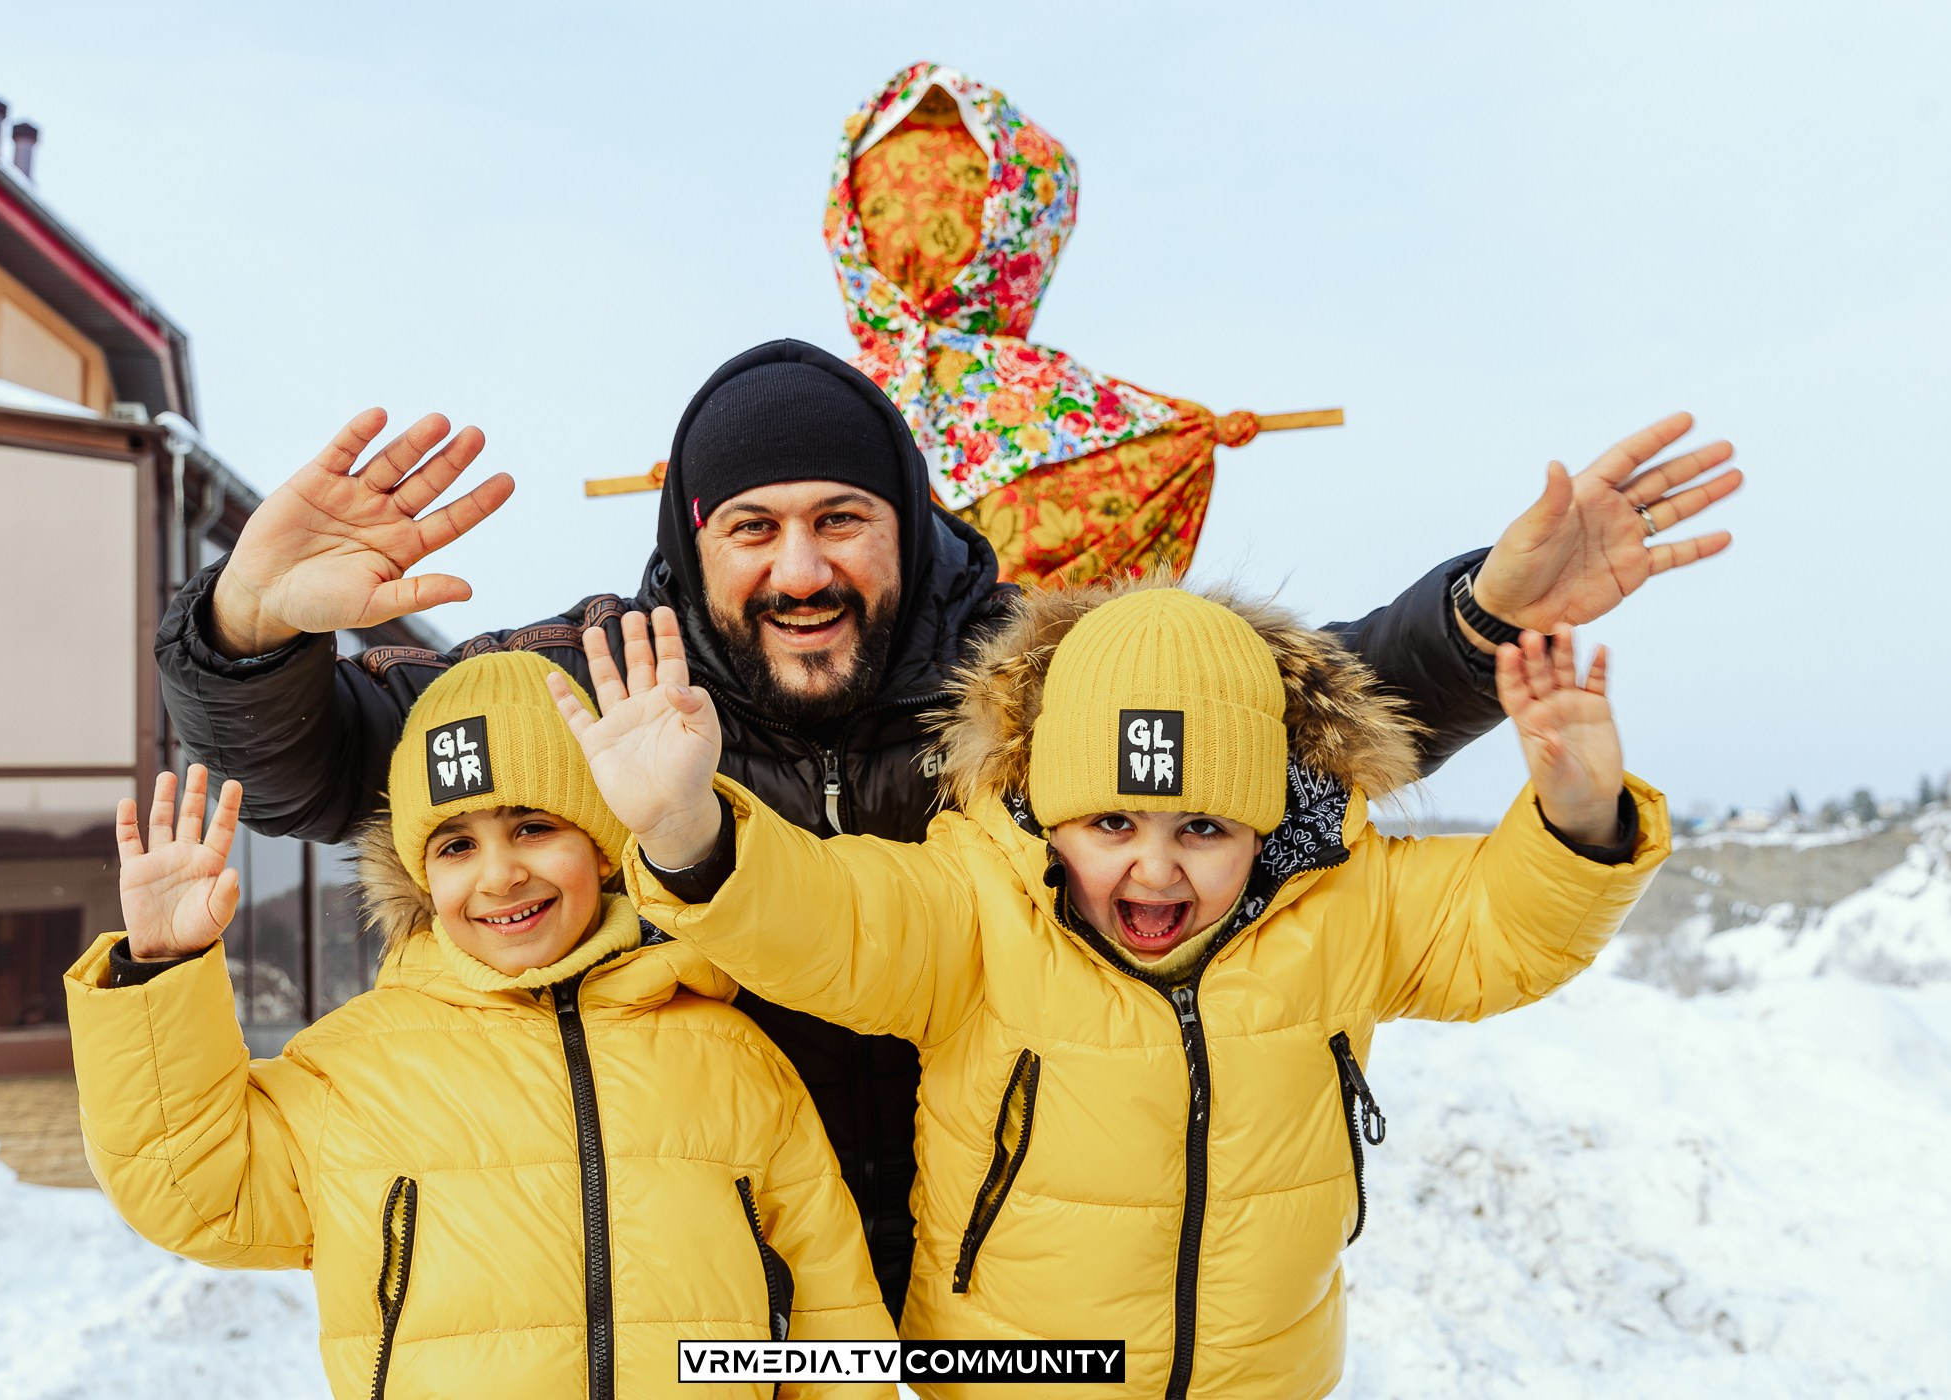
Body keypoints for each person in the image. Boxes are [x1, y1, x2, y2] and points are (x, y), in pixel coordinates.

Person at [156, 337, 1737, 1312]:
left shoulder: (1027, 676)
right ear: (690, 546)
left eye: (840, 519)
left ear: (906, 524)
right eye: (752, 528)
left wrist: (1481, 620)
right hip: (738, 1288)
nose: (799, 569)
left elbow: (1261, 730)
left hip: (1006, 1290)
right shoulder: (608, 690)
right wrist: (244, 632)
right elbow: (341, 771)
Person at [558, 587, 1669, 1400]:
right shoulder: (977, 908)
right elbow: (821, 919)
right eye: (1111, 822)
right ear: (1048, 809)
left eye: (1204, 827)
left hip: (1265, 1374)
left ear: (1265, 822)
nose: (1154, 868)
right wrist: (685, 828)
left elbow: (1502, 932)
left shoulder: (1343, 905)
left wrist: (1579, 816)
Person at [65, 653, 891, 1399]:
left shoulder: (732, 1056)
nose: (499, 875)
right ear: (422, 876)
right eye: (457, 846)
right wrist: (162, 966)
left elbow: (834, 1324)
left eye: (534, 827)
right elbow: (189, 1187)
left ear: (602, 845)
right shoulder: (349, 1072)